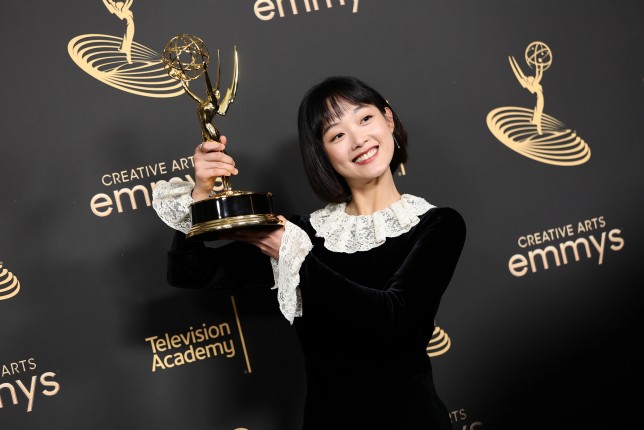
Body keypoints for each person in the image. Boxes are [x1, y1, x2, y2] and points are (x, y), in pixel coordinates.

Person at [152, 76, 466, 429]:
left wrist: (293, 256)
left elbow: (392, 321)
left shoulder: (437, 224)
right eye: (337, 135)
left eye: (365, 118)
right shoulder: (300, 233)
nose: (359, 139)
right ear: (323, 153)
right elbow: (187, 271)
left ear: (388, 120)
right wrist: (201, 196)